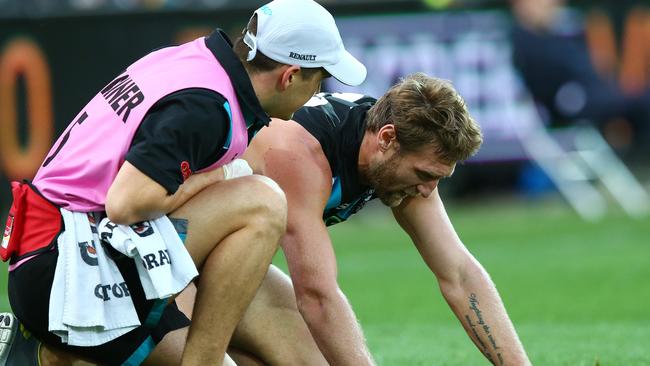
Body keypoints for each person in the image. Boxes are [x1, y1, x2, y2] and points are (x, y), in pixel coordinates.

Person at [0, 0, 366, 365]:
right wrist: (221, 175)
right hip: (66, 266)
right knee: (261, 202)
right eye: (319, 78)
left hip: (56, 250)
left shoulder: (194, 63)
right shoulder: (205, 106)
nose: (318, 91)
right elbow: (125, 202)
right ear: (289, 76)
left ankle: (39, 357)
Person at [176, 73, 531, 365]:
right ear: (387, 138)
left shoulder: (399, 159)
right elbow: (316, 295)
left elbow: (459, 273)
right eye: (424, 173)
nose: (428, 191)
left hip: (223, 268)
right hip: (158, 265)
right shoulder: (299, 151)